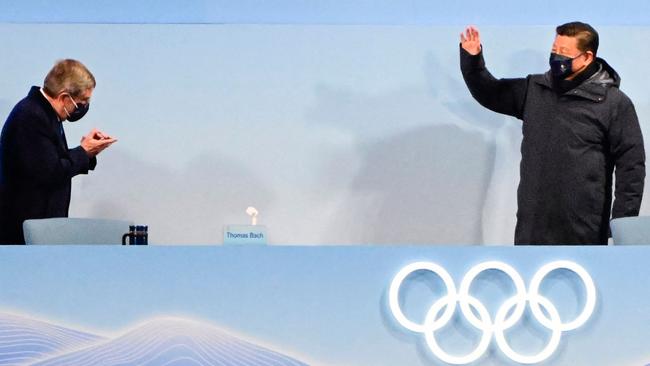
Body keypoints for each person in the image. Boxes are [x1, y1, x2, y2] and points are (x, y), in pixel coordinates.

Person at [460, 22, 645, 245]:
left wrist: (622, 224)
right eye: (554, 50)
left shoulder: (614, 103)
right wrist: (472, 60)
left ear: (587, 57)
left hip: (584, 231)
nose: (556, 57)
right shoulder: (534, 89)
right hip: (532, 229)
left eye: (564, 53)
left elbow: (631, 166)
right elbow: (490, 92)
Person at [0, 59, 116, 244]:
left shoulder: (44, 114)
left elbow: (46, 161)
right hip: (24, 237)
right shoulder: (31, 116)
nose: (84, 107)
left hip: (40, 232)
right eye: (82, 101)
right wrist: (83, 152)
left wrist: (88, 151)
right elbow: (50, 171)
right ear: (64, 97)